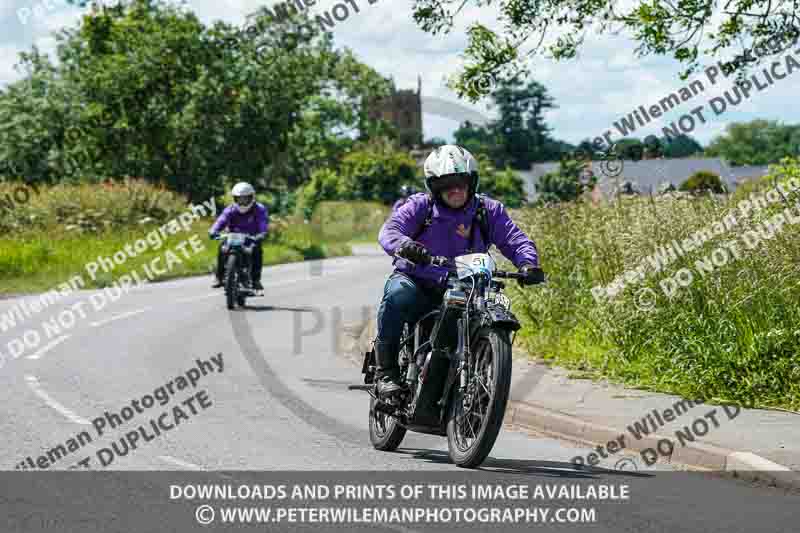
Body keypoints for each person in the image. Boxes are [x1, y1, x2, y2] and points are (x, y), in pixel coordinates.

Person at [375, 145, 543, 399]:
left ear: (472, 182)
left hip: (466, 286)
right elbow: (390, 230)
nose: (455, 190)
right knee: (398, 295)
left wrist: (528, 264)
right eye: (446, 184)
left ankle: (479, 380)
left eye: (461, 182)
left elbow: (514, 240)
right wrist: (406, 245)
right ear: (434, 186)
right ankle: (385, 373)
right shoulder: (421, 206)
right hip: (417, 281)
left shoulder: (488, 211)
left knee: (488, 311)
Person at [208, 182, 268, 291]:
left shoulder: (259, 209)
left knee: (257, 250)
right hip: (233, 236)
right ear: (235, 199)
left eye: (246, 199)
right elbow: (221, 220)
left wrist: (262, 233)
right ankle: (219, 277)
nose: (243, 202)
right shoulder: (230, 210)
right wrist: (213, 230)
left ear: (252, 197)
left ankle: (256, 280)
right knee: (222, 247)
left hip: (251, 238)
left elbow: (263, 222)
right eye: (240, 199)